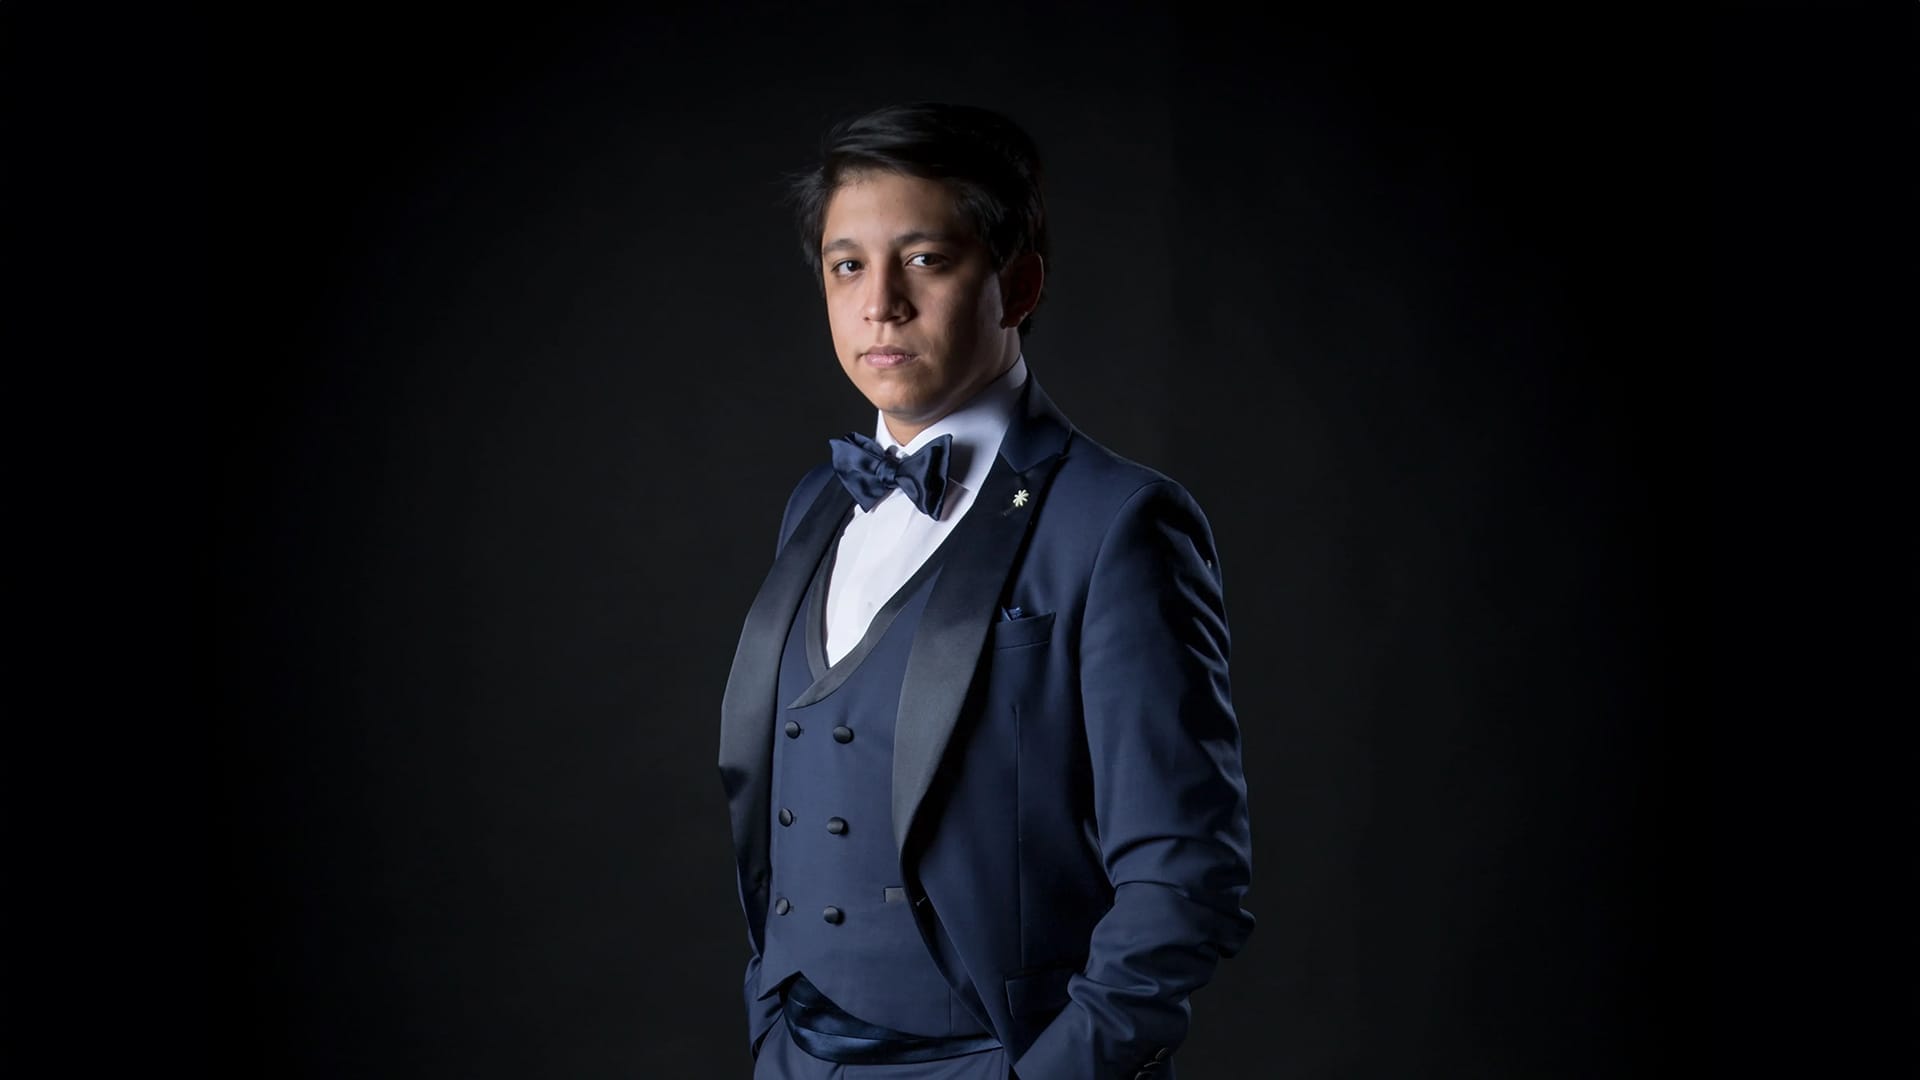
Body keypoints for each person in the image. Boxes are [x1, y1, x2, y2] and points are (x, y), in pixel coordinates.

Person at [717, 102, 1254, 1080]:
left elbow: (1187, 877)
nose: (880, 302)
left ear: (1019, 283)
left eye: (926, 259)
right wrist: (770, 1025)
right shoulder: (814, 507)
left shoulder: (1120, 524)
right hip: (793, 1054)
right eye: (848, 265)